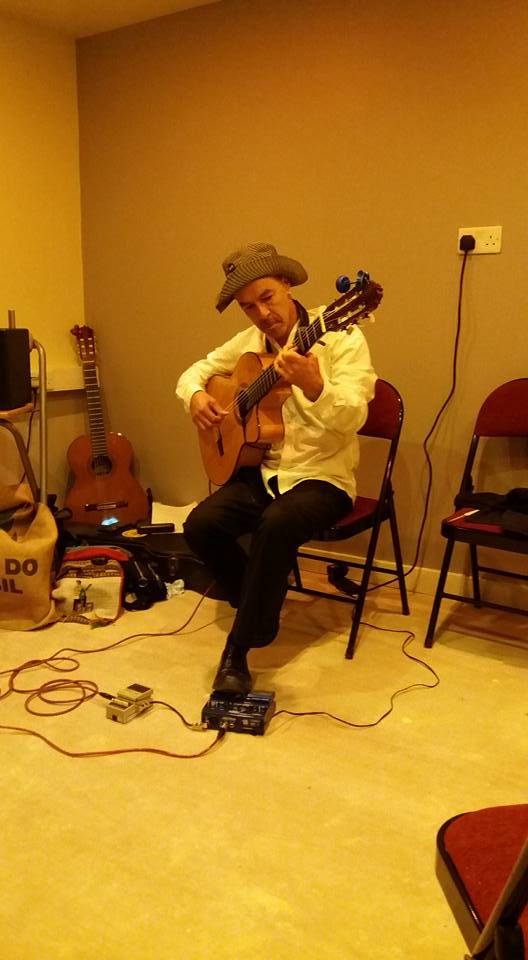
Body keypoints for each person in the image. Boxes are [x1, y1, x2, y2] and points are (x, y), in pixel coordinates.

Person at [176, 241, 378, 695]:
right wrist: (197, 397)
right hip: (264, 473)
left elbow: (354, 417)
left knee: (275, 524)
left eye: (267, 297)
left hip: (323, 476)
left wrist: (315, 384)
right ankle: (260, 599)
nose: (262, 314)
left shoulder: (341, 335)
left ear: (287, 285)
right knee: (200, 525)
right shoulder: (247, 345)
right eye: (249, 307)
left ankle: (240, 647)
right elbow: (192, 373)